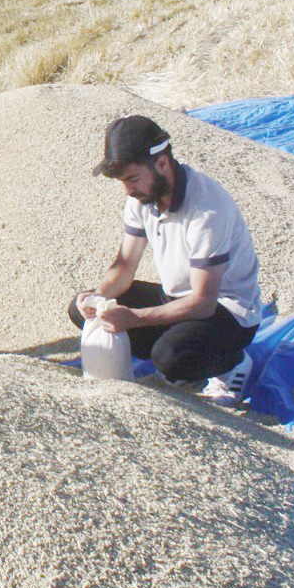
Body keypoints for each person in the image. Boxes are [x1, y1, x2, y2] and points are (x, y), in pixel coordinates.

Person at [69, 115, 261, 401]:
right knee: (81, 310)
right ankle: (182, 354)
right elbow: (124, 266)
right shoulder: (142, 199)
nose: (127, 191)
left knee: (171, 358)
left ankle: (230, 365)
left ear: (161, 163)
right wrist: (96, 298)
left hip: (227, 311)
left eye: (132, 179)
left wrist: (134, 318)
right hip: (178, 298)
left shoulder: (207, 210)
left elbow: (203, 302)